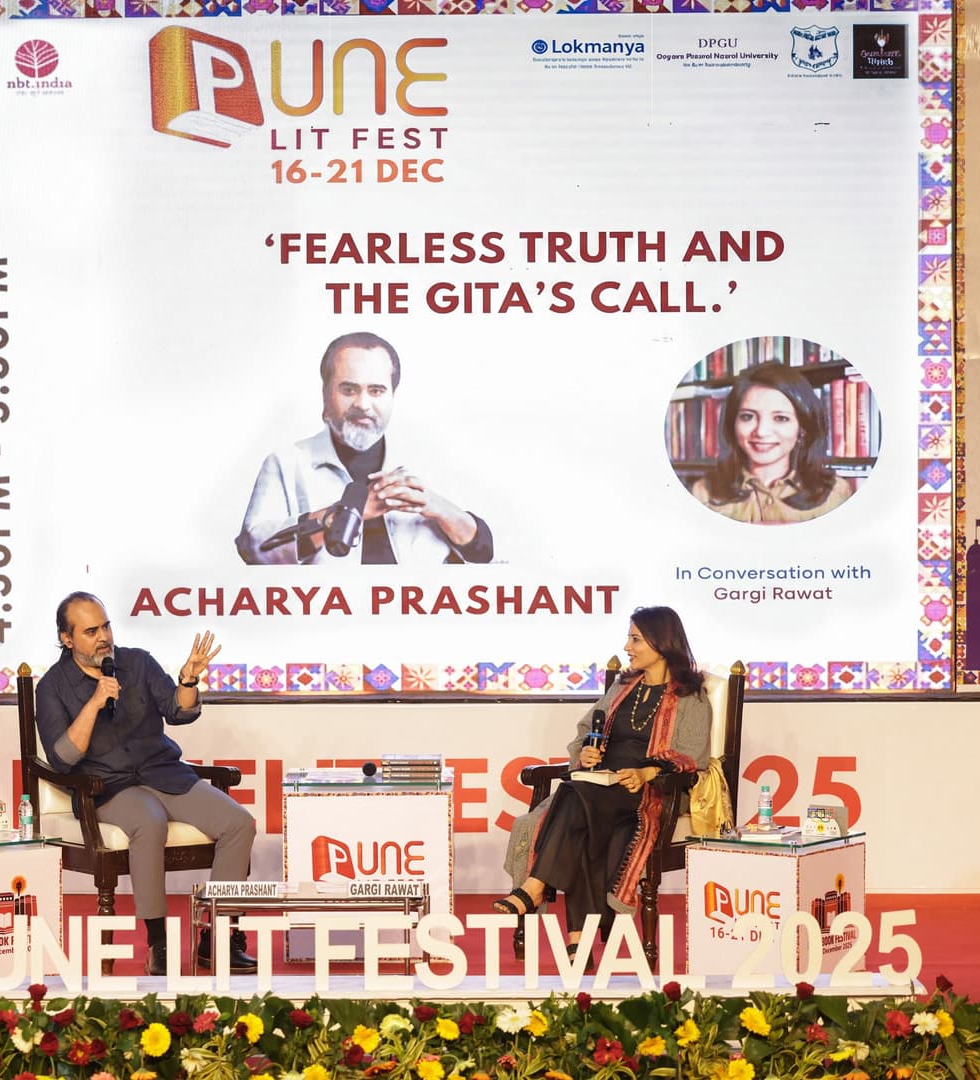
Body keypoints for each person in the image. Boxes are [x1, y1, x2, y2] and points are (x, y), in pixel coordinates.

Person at [35, 591, 257, 975]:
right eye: (91, 631)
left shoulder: (136, 663)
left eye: (105, 626)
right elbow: (63, 758)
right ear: (67, 639)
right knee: (149, 821)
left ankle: (217, 937)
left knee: (239, 823)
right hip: (108, 787)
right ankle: (159, 943)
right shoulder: (52, 686)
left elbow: (179, 711)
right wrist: (94, 703)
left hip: (164, 773)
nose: (103, 636)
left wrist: (188, 679)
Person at [496, 607, 712, 962]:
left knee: (571, 794)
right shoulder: (624, 685)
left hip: (643, 791)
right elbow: (586, 730)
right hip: (598, 782)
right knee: (580, 805)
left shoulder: (691, 695)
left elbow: (692, 756)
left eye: (635, 639)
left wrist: (646, 773)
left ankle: (538, 889)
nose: (627, 646)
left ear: (661, 642)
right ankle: (577, 942)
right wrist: (588, 754)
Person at [236, 331, 495, 564]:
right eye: (348, 390)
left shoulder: (430, 460)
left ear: (392, 396)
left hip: (417, 612)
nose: (363, 403)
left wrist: (437, 507)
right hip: (328, 612)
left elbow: (483, 553)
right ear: (325, 395)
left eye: (376, 390)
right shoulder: (287, 462)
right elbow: (253, 549)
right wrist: (343, 515)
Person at [690, 362, 854, 524]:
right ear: (732, 424)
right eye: (748, 416)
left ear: (802, 429)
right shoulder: (703, 493)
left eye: (781, 418)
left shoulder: (836, 494)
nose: (761, 431)